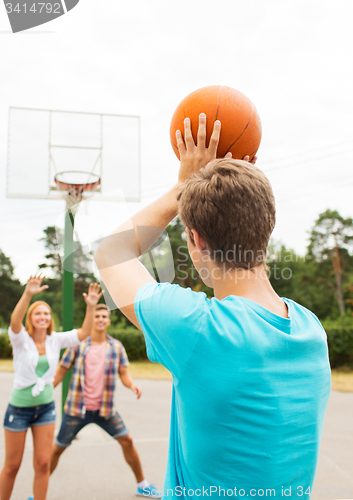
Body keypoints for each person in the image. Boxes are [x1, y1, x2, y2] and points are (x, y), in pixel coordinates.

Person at [94, 113, 331, 499]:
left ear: (196, 240)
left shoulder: (198, 328)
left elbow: (111, 252)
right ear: (266, 228)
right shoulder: (311, 330)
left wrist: (182, 189)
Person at [0, 275, 102, 500]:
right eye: (38, 313)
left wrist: (91, 307)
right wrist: (28, 294)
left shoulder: (55, 340)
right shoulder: (20, 340)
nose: (43, 316)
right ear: (31, 317)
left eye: (46, 313)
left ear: (50, 318)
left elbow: (83, 333)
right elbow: (15, 322)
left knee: (44, 463)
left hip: (45, 409)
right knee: (12, 466)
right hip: (18, 410)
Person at [50, 303, 162, 498]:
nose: (100, 320)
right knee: (58, 448)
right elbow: (60, 372)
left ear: (108, 321)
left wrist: (132, 385)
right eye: (97, 316)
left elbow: (124, 374)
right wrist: (44, 391)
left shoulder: (116, 346)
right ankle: (39, 488)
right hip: (77, 410)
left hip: (105, 410)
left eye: (104, 317)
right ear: (91, 319)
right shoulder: (78, 345)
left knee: (127, 441)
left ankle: (142, 484)